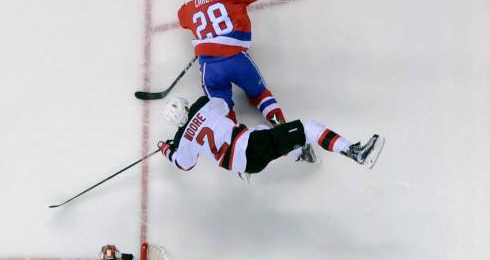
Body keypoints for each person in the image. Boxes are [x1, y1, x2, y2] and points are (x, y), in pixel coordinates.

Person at [157, 95, 385, 176]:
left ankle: (302, 154)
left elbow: (183, 164)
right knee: (308, 127)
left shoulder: (182, 140)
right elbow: (224, 107)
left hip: (244, 165)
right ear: (186, 106)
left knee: (265, 133)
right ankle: (355, 152)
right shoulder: (202, 103)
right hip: (249, 146)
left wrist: (166, 148)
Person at [178, 0, 284, 126]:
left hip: (210, 69)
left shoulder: (188, 6)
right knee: (260, 94)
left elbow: (182, 19)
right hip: (237, 60)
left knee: (222, 112)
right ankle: (282, 127)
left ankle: (233, 141)